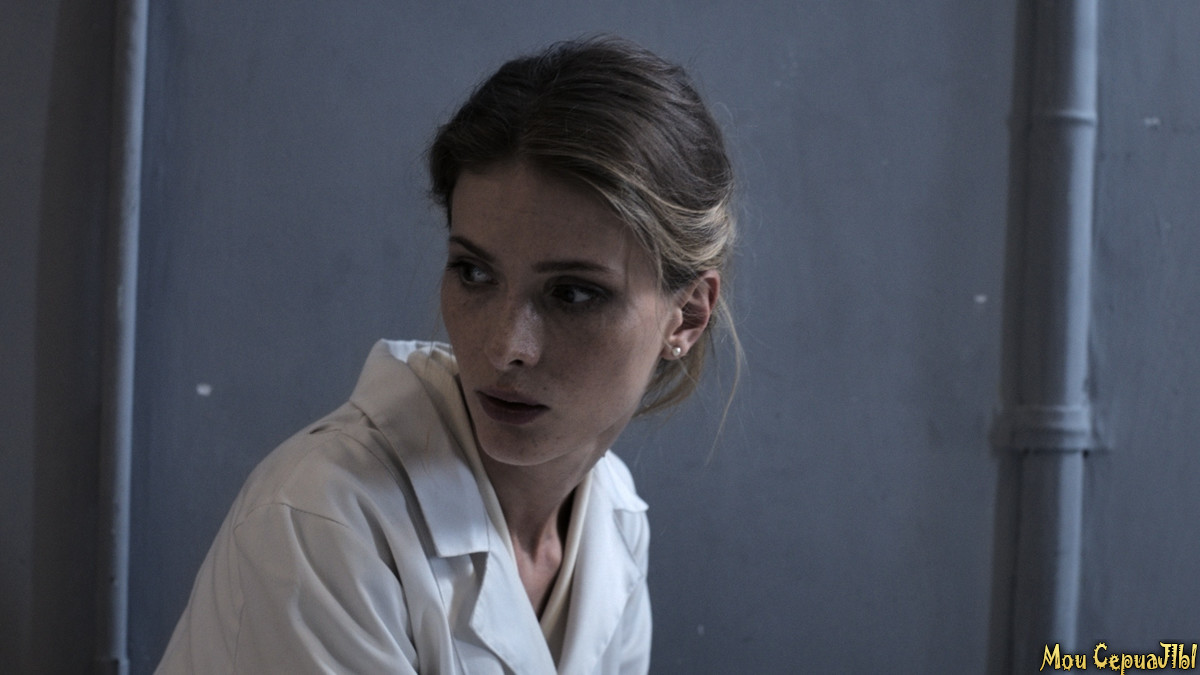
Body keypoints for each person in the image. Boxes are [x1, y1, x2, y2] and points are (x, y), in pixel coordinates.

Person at [157, 35, 737, 674]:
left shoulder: (612, 518)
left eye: (573, 294)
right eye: (474, 273)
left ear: (688, 315)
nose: (506, 347)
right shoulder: (322, 518)